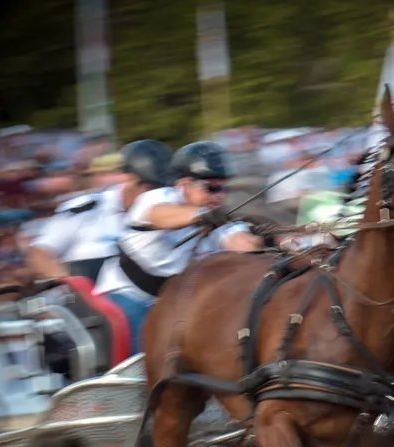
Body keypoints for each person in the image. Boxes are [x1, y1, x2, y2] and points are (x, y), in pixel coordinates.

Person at [93, 140, 264, 353]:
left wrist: (265, 244)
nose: (219, 196)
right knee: (150, 350)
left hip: (177, 304)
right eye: (211, 188)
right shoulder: (157, 198)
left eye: (223, 189)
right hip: (129, 295)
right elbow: (159, 215)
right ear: (184, 185)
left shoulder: (218, 218)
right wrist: (201, 215)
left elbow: (242, 244)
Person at [26, 140, 173, 283]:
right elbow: (40, 254)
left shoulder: (166, 215)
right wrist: (71, 283)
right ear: (128, 179)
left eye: (160, 190)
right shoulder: (87, 210)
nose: (155, 196)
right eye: (149, 188)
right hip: (86, 293)